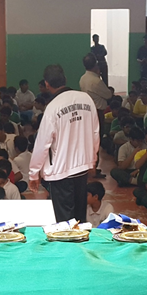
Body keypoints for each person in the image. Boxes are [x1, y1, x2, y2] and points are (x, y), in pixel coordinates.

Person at [29, 65, 99, 222]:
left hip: (60, 172)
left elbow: (42, 143)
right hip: (82, 167)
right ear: (65, 79)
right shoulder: (86, 99)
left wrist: (34, 173)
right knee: (80, 217)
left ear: (47, 84)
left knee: (64, 221)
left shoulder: (53, 107)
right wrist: (93, 160)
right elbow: (95, 132)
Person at [79, 54, 113, 118]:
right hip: (98, 112)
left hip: (88, 109)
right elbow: (108, 95)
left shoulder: (82, 78)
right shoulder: (97, 81)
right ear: (95, 65)